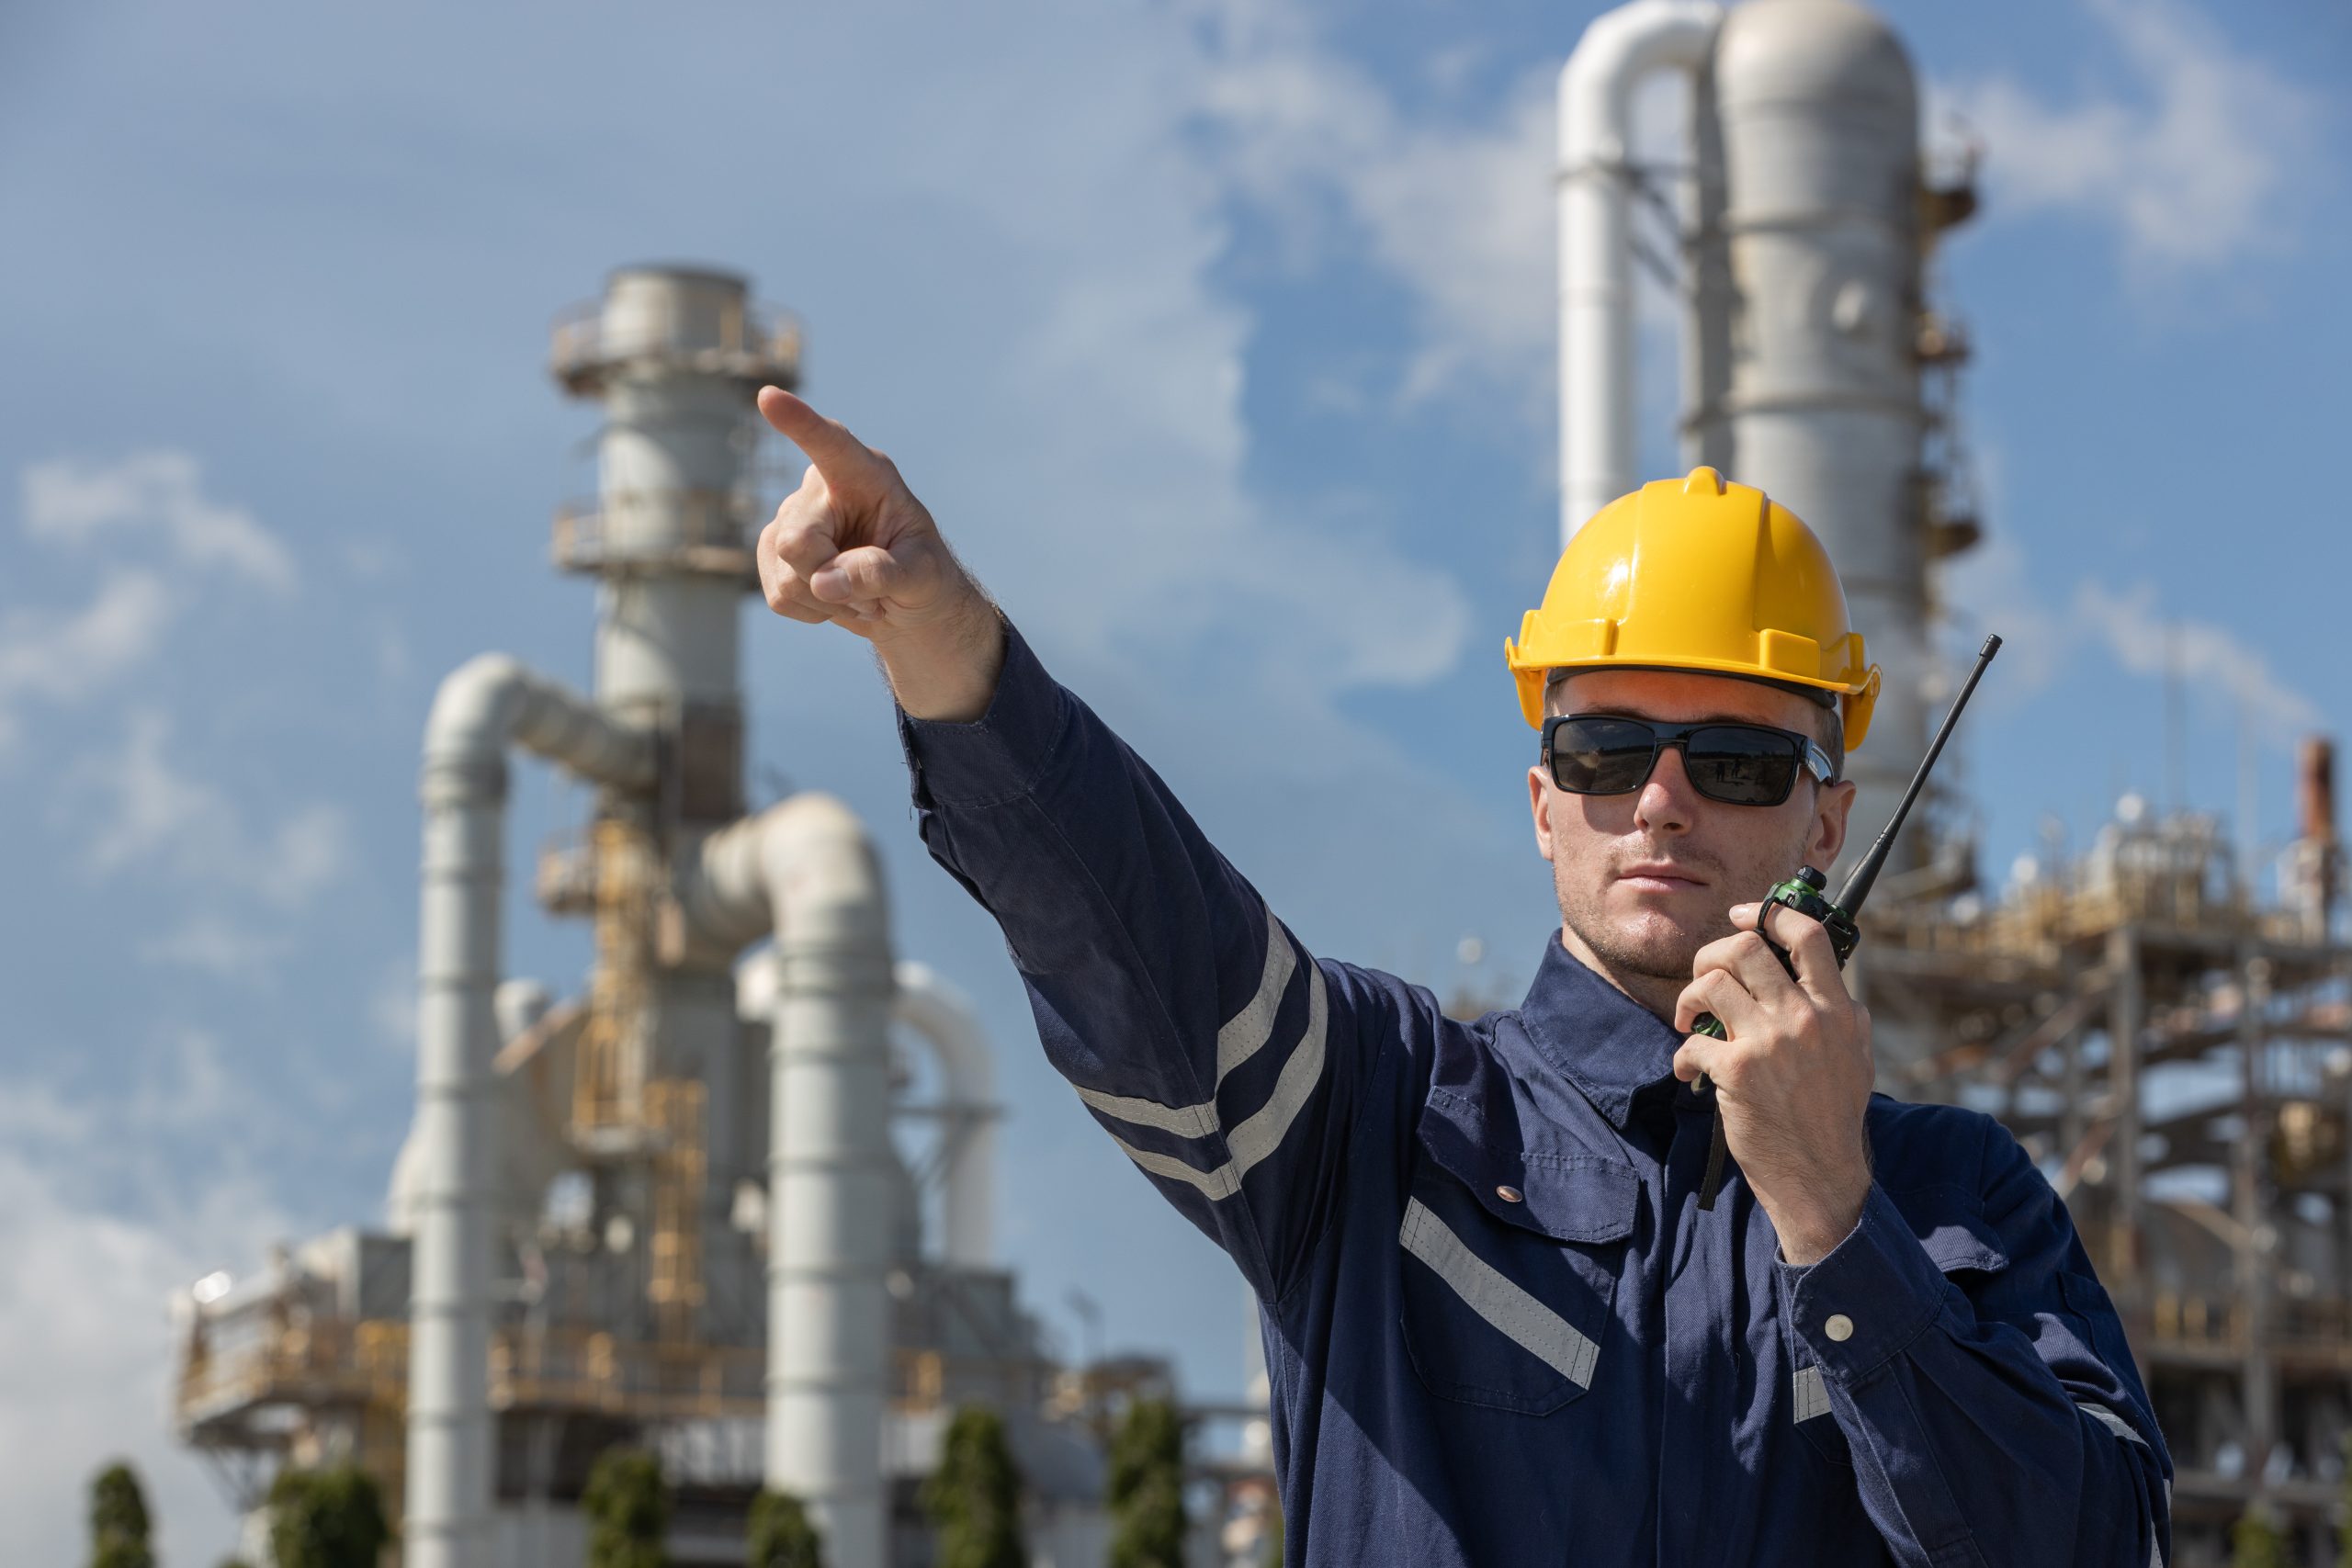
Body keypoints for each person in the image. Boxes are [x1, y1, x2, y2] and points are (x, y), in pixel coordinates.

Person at [750, 384, 2173, 1567]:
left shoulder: (1954, 1205)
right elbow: (1130, 922)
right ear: (1546, 802)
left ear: (1827, 822)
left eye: (1734, 761)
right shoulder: (1374, 1119)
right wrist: (944, 643)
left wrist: (1832, 1219)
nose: (1663, 803)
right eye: (1608, 753)